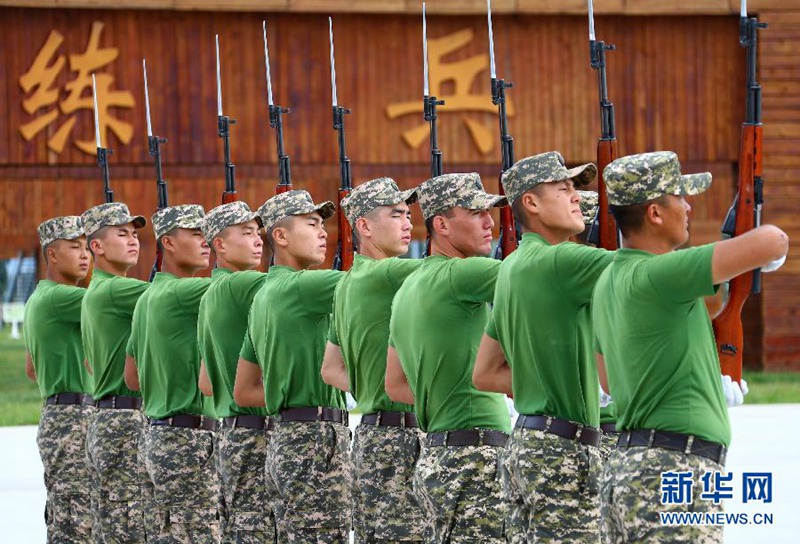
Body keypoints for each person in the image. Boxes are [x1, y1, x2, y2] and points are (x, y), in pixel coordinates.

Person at [593, 151, 789, 543]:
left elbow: (610, 382)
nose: (688, 206)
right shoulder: (661, 273)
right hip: (674, 464)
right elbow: (773, 240)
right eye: (680, 196)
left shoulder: (607, 281)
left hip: (630, 467)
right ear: (654, 213)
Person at [471, 151, 610, 543]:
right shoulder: (561, 260)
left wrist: (544, 381)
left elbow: (485, 372)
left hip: (529, 441)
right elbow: (646, 274)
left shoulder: (513, 267)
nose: (577, 198)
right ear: (531, 203)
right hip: (563, 449)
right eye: (564, 189)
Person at [385, 173, 510, 543]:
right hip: (476, 454)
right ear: (441, 224)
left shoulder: (409, 287)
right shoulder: (462, 272)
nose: (490, 222)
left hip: (440, 453)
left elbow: (395, 384)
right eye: (475, 213)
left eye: (490, 212)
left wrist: (447, 395)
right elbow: (534, 280)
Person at [234, 190, 349, 543]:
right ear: (280, 237)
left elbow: (244, 389)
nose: (323, 233)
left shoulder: (264, 296)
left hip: (288, 435)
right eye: (312, 224)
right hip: (313, 440)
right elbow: (369, 284)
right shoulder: (301, 285)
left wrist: (288, 390)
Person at [320, 177, 426, 543]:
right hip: (400, 436)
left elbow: (331, 369)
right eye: (396, 215)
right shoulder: (387, 272)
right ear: (364, 226)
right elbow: (445, 271)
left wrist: (373, 388)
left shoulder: (348, 282)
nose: (408, 224)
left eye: (409, 215)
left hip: (372, 433)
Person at [124, 204, 219, 542]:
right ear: (168, 242)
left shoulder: (147, 297)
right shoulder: (184, 291)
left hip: (158, 434)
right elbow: (236, 288)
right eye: (197, 234)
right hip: (186, 439)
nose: (208, 242)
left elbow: (132, 378)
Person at [197, 201, 278, 543]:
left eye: (258, 233)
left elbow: (206, 382)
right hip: (255, 432)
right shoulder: (242, 284)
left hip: (232, 430)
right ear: (220, 245)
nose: (259, 241)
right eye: (246, 233)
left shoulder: (211, 292)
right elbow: (287, 288)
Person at [80, 202, 150, 543]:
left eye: (135, 234)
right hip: (124, 419)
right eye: (122, 234)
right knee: (129, 526)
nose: (133, 240)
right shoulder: (113, 290)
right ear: (97, 246)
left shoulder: (97, 291)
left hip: (110, 416)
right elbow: (165, 297)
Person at [24, 216, 93, 542]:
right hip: (73, 418)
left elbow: (31, 368)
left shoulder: (41, 297)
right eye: (75, 247)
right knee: (76, 522)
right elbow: (106, 303)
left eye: (87, 247)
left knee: (73, 515)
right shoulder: (60, 297)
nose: (86, 255)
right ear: (52, 254)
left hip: (62, 413)